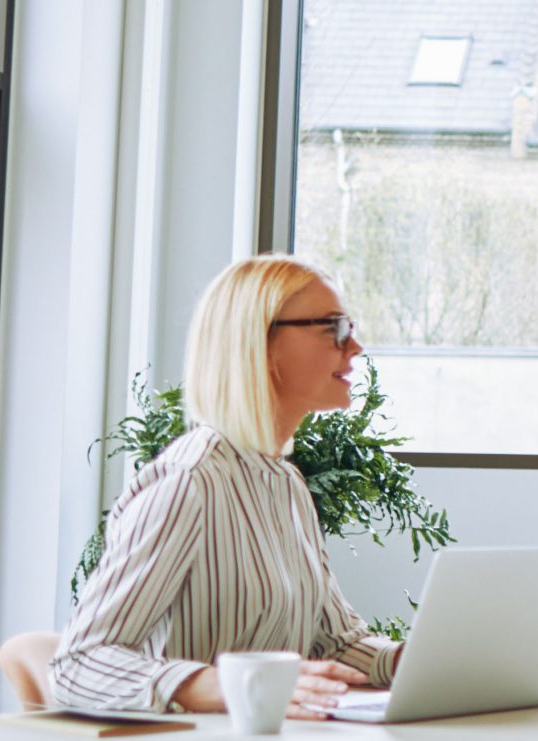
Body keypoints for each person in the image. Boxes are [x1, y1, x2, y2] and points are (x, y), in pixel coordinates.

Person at [50, 257, 397, 717]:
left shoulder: (286, 484)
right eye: (333, 328)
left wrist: (423, 661)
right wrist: (228, 686)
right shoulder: (187, 482)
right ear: (259, 342)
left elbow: (335, 642)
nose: (354, 346)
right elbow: (78, 664)